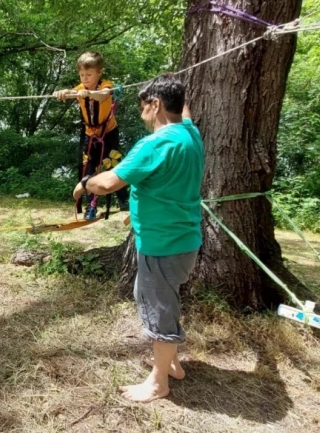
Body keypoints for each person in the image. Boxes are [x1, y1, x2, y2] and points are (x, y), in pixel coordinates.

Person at [72, 73, 204, 402]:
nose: (141, 113)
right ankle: (170, 363)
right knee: (162, 300)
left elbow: (108, 184)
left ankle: (159, 382)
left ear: (156, 105)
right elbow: (183, 110)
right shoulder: (190, 133)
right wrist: (171, 85)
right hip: (184, 241)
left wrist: (85, 182)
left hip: (162, 243)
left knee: (159, 309)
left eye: (145, 106)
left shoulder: (155, 144)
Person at [55, 51, 129, 220]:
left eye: (89, 74)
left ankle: (123, 199)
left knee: (113, 164)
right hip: (90, 135)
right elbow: (69, 92)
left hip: (109, 133)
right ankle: (91, 206)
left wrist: (88, 94)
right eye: (82, 75)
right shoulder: (80, 89)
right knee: (87, 169)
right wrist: (62, 93)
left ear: (99, 72)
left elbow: (103, 95)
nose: (85, 78)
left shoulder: (105, 85)